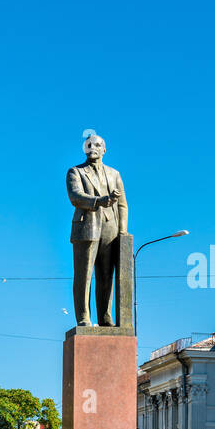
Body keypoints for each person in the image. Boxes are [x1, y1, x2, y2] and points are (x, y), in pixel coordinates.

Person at [67, 134, 128, 326]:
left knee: (106, 276)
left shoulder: (114, 174)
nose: (93, 148)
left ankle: (104, 316)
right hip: (86, 226)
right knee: (84, 275)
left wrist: (122, 232)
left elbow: (122, 205)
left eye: (98, 145)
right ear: (85, 148)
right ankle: (84, 317)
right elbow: (75, 196)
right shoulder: (75, 171)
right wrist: (98, 201)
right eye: (89, 145)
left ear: (104, 149)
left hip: (110, 228)